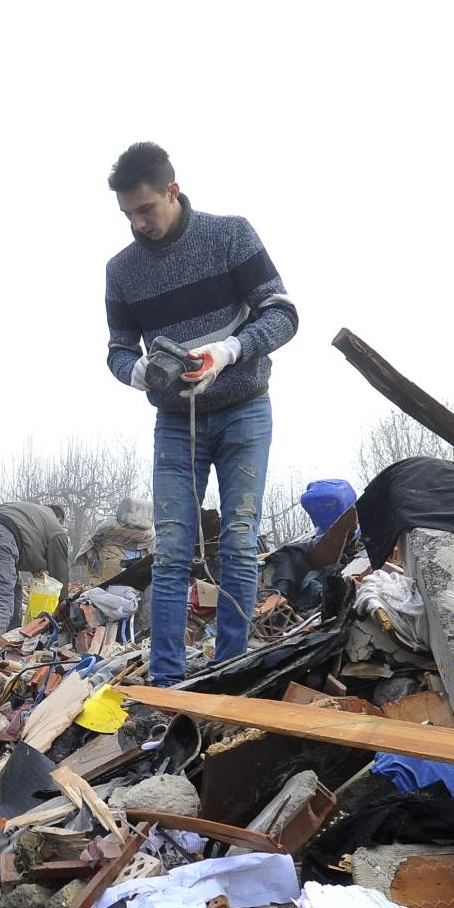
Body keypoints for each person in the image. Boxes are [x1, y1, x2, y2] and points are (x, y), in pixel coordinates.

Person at [104, 141, 298, 687]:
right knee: (169, 552)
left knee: (238, 539)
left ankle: (231, 672)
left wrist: (226, 352)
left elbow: (283, 314)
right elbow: (118, 350)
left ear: (173, 189)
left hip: (244, 410)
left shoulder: (231, 235)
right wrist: (139, 371)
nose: (139, 224)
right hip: (175, 424)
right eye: (128, 215)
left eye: (147, 209)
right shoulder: (122, 271)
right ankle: (167, 685)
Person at [0, 500, 70, 656]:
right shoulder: (55, 528)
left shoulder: (31, 514)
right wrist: (65, 608)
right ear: (59, 518)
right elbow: (60, 573)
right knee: (1, 603)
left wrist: (36, 566)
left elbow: (25, 547)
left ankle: (11, 644)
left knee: (14, 588)